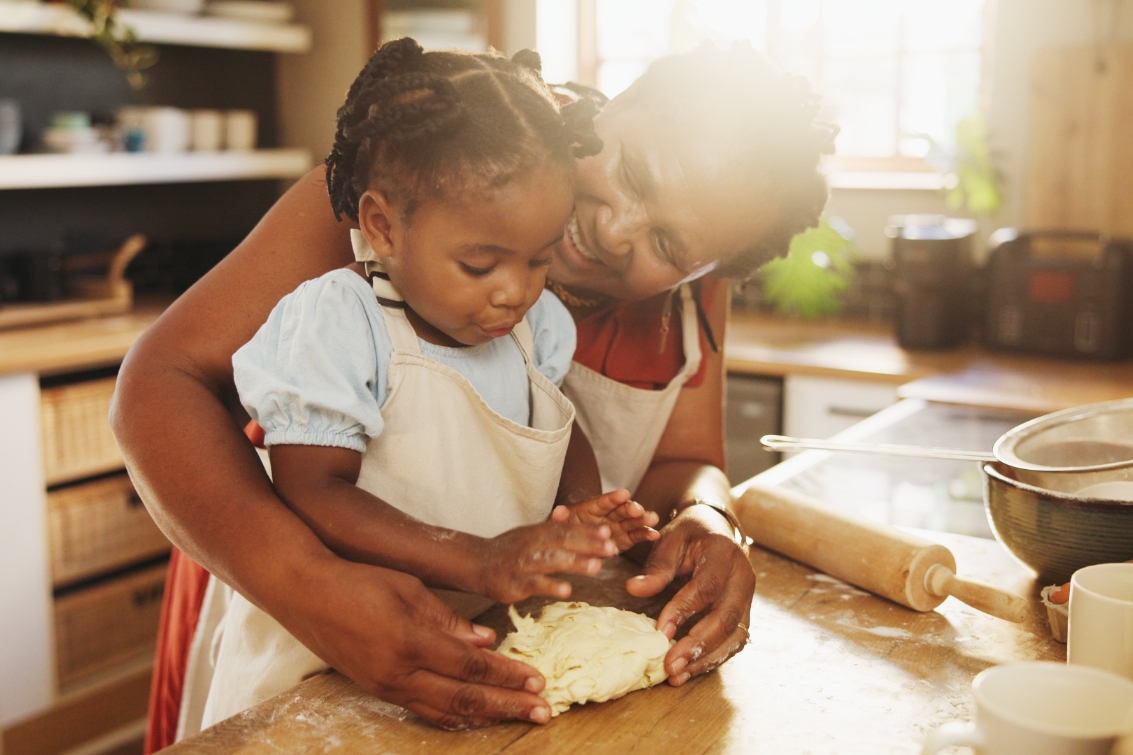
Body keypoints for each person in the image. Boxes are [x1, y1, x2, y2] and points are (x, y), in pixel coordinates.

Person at [111, 40, 835, 747]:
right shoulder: (433, 166)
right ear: (614, 105)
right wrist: (308, 586)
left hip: (497, 636)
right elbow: (160, 382)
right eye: (635, 172)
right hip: (275, 568)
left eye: (670, 248)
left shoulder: (697, 268)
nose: (616, 232)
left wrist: (708, 518)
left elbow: (682, 461)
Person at [197, 39, 661, 727]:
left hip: (457, 646)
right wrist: (475, 558)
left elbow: (556, 429)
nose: (515, 291)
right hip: (318, 662)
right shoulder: (338, 322)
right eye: (480, 264)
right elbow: (312, 490)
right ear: (383, 225)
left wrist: (579, 509)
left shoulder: (538, 326)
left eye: (537, 259)